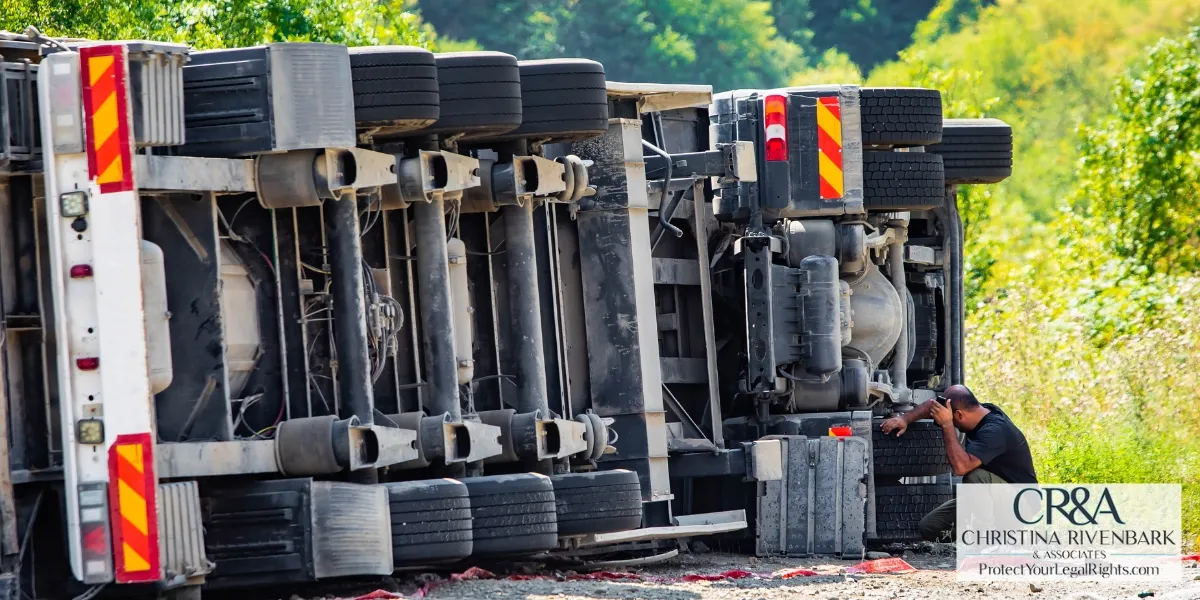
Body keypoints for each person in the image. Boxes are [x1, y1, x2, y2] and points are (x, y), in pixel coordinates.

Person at [879, 384, 1037, 542]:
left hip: (1021, 503)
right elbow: (933, 406)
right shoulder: (979, 411)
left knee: (975, 477)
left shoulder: (994, 430)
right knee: (930, 526)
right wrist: (905, 419)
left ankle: (989, 543)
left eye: (953, 420)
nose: (953, 424)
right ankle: (973, 538)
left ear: (959, 415)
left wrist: (947, 424)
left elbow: (961, 468)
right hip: (990, 494)